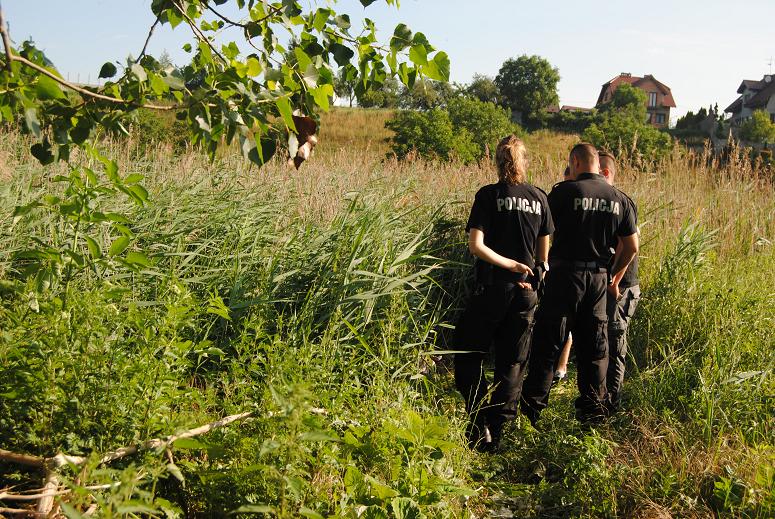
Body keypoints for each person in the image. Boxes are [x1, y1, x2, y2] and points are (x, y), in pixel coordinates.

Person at [520, 142, 638, 424]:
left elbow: (541, 233)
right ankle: (592, 416)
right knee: (595, 351)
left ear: (575, 162)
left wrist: (539, 267)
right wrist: (612, 274)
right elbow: (632, 246)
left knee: (548, 345)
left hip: (564, 278)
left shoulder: (562, 193)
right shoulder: (618, 198)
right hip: (598, 280)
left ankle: (532, 413)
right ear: (599, 165)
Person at [454, 135, 554, 450]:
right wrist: (528, 273)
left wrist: (505, 264)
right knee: (512, 362)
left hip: (492, 290)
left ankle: (477, 419)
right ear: (523, 163)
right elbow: (543, 259)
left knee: (467, 353)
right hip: (524, 292)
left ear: (497, 162)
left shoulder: (487, 196)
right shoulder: (539, 198)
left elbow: (476, 246)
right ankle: (496, 432)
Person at [598, 151, 641, 413]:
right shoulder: (607, 201)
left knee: (615, 346)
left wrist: (614, 280)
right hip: (612, 285)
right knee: (604, 343)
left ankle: (611, 405)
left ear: (605, 173)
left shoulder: (621, 202)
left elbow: (631, 247)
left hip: (621, 287)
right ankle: (600, 399)